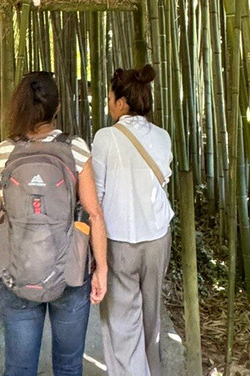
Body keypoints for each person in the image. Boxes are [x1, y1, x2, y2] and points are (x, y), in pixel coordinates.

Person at [0, 71, 108, 376]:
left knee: (20, 368)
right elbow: (94, 213)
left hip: (19, 272)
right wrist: (101, 268)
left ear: (19, 106)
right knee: (67, 366)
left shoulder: (4, 151)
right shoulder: (76, 147)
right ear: (57, 108)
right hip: (70, 272)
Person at [91, 64, 174, 376]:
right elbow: (162, 178)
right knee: (151, 319)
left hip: (119, 240)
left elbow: (95, 197)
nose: (108, 104)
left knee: (122, 323)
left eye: (110, 98)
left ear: (121, 103)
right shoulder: (163, 137)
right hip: (157, 238)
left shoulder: (105, 138)